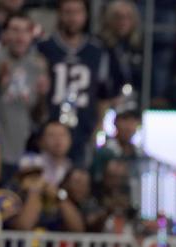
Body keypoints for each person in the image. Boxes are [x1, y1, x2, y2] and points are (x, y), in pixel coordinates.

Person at [37, 0, 117, 166]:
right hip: (49, 129)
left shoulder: (97, 51)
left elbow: (104, 95)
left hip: (83, 130)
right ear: (59, 14)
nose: (73, 18)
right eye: (68, 12)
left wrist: (98, 128)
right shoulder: (44, 48)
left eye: (77, 12)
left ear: (86, 15)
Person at [0, 12, 48, 183]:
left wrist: (43, 96)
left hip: (21, 150)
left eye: (25, 31)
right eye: (14, 30)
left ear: (32, 35)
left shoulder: (37, 65)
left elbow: (39, 117)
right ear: (5, 34)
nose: (20, 36)